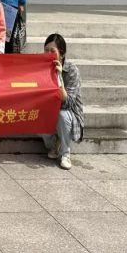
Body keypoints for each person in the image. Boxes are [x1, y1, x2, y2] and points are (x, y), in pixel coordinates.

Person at [42, 33, 84, 170]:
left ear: (62, 53)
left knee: (61, 114)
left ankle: (65, 153)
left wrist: (59, 76)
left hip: (69, 113)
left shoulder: (72, 70)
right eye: (46, 50)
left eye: (52, 51)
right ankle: (54, 144)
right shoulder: (42, 68)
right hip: (50, 109)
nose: (48, 54)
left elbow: (68, 103)